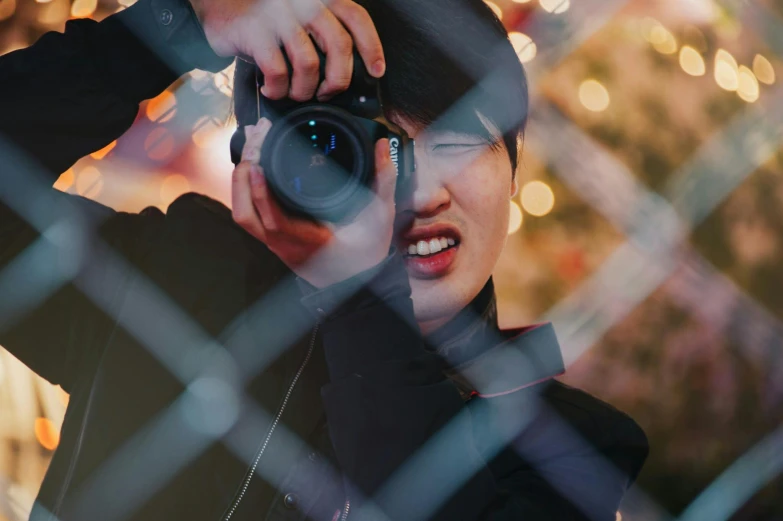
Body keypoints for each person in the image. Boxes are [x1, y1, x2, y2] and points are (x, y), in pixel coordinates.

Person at [0, 0, 649, 520]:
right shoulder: (183, 276)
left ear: (513, 169)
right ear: (264, 157)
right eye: (367, 147)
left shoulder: (571, 443)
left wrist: (363, 293)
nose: (418, 190)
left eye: (458, 141)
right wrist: (175, 27)